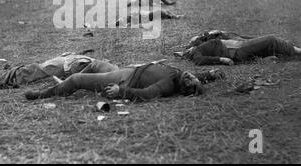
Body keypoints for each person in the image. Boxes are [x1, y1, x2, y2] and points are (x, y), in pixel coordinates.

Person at [25, 62, 225, 101]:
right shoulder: (181, 75)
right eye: (192, 77)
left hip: (124, 79)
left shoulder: (169, 84)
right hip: (128, 69)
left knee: (77, 79)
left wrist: (121, 92)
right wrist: (210, 74)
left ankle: (43, 94)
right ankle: (64, 83)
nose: (190, 76)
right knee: (96, 63)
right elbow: (196, 78)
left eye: (190, 81)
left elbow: (146, 94)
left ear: (183, 87)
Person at [0, 53, 119, 91]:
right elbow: (94, 65)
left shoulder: (116, 78)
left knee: (30, 71)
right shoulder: (115, 73)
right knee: (31, 70)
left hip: (68, 65)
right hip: (70, 63)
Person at [174, 35, 301, 66]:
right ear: (185, 54)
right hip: (236, 49)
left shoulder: (198, 47)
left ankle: (289, 55)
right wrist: (221, 59)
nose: (189, 46)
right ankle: (298, 52)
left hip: (237, 47)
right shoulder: (195, 53)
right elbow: (199, 61)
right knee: (270, 39)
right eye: (185, 50)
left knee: (266, 45)